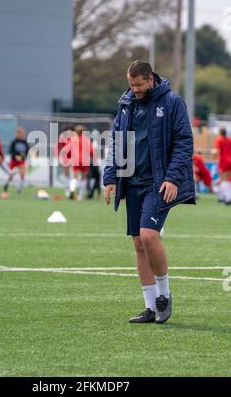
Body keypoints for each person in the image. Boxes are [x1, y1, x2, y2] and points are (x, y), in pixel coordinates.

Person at [103, 60, 195, 324]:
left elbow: (183, 142)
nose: (134, 90)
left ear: (150, 80)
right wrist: (111, 177)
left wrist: (173, 178)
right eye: (131, 85)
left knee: (149, 235)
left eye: (139, 85)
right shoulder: (126, 103)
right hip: (132, 182)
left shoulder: (172, 102)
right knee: (137, 242)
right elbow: (117, 141)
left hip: (159, 183)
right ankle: (150, 306)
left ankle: (164, 297)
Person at [69, 125, 95, 200]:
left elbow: (67, 150)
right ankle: (80, 195)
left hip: (75, 160)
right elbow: (91, 151)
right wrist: (94, 159)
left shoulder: (72, 139)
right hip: (85, 160)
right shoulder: (87, 140)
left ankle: (72, 189)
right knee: (83, 178)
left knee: (75, 177)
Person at [2, 127, 29, 195]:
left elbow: (27, 151)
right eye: (21, 133)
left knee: (22, 174)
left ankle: (19, 189)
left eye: (23, 133)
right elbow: (11, 151)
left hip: (21, 161)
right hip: (14, 161)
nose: (22, 135)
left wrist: (23, 156)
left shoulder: (25, 142)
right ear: (17, 133)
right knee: (11, 175)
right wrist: (15, 156)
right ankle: (6, 185)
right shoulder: (14, 142)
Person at [212, 128, 231, 205]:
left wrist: (213, 155)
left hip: (224, 162)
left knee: (223, 180)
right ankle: (223, 197)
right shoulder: (229, 140)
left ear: (220, 133)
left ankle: (228, 198)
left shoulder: (219, 140)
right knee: (227, 180)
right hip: (230, 160)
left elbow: (217, 151)